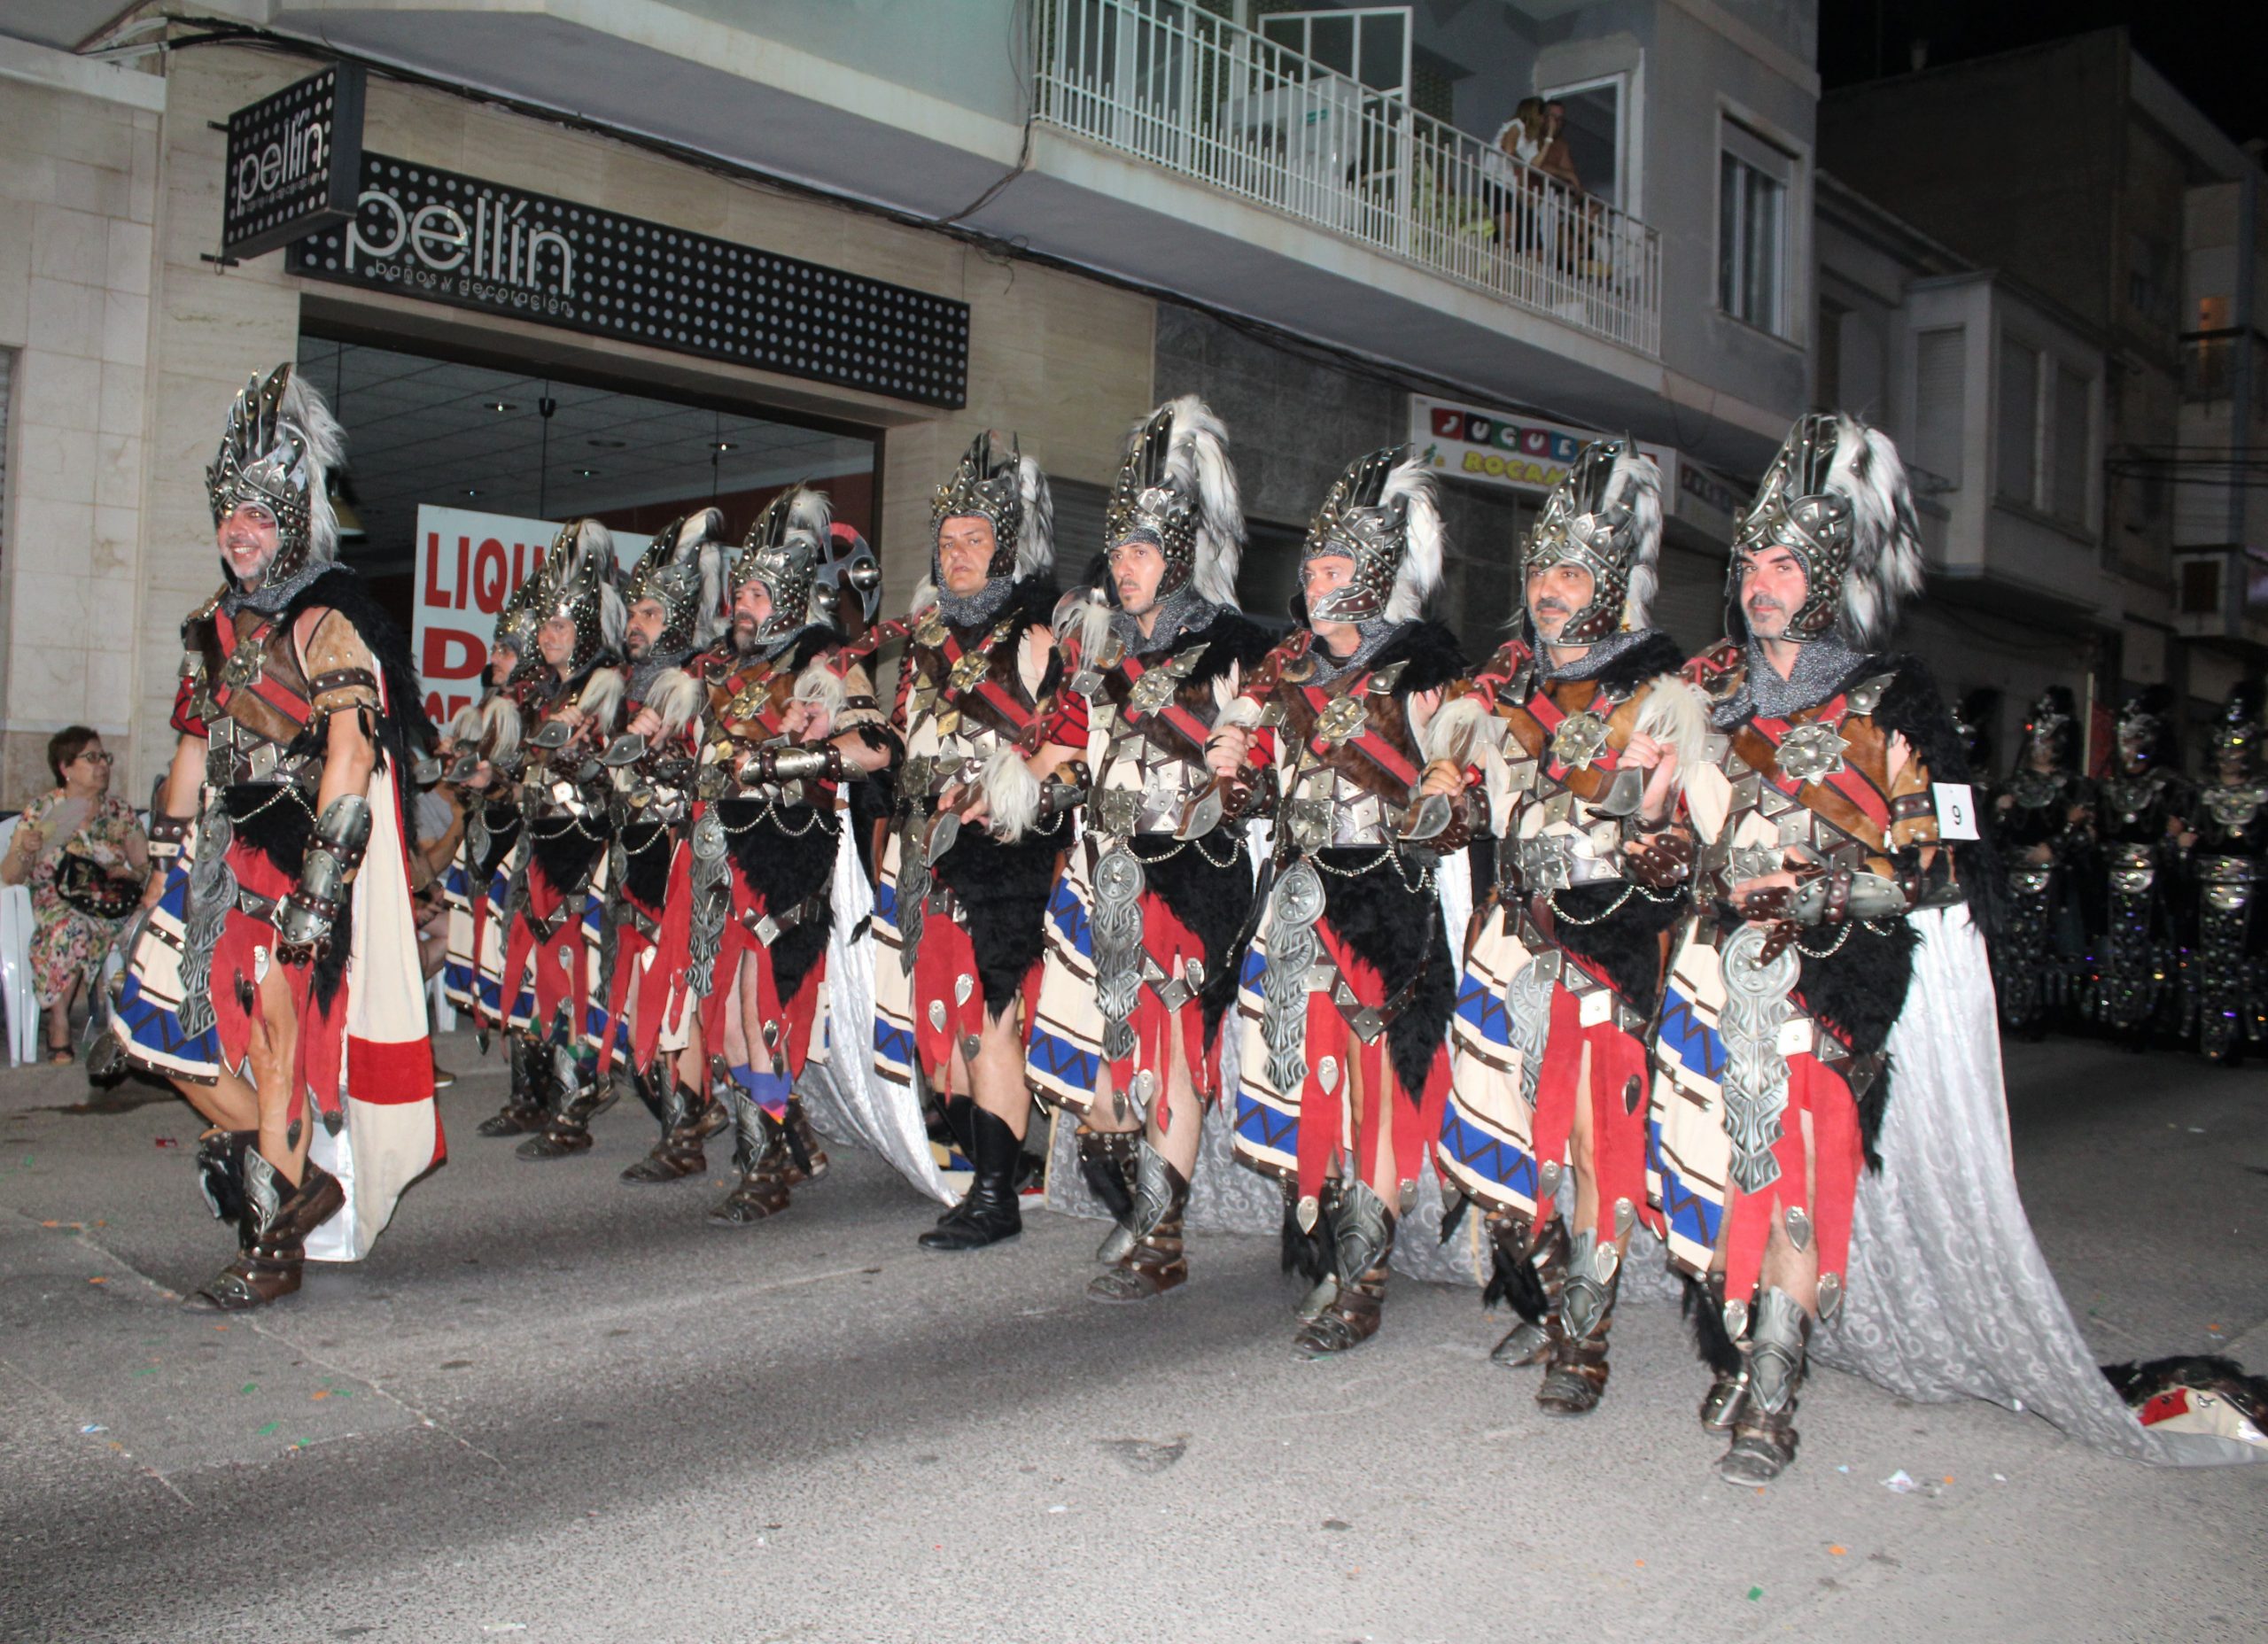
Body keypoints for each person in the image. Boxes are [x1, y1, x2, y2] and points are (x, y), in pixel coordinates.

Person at [109, 364, 435, 1310]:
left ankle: (271, 1244)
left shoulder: (329, 620)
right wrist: (161, 861)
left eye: (257, 513)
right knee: (155, 1033)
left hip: (299, 858)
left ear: (292, 519)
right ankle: (300, 1184)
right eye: (229, 512)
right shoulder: (211, 626)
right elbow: (190, 747)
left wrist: (321, 887)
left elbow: (352, 751)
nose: (238, 530)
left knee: (278, 1048)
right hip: (218, 856)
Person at [1424, 440, 1703, 1413]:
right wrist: (1446, 797)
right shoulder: (1498, 691)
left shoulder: (1662, 699)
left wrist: (1665, 842)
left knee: (1592, 1141)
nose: (1547, 589)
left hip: (1607, 940)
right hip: (1510, 935)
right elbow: (1456, 805)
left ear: (1612, 584)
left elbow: (1695, 828)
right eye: (1540, 570)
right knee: (1500, 1124)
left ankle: (1584, 1336)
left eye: (1572, 573)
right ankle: (1545, 1300)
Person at [1207, 445, 1465, 1357]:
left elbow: (1456, 792)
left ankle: (1364, 1277)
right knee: (1308, 1076)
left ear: (1377, 575)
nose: (1314, 585)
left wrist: (1446, 788)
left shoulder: (1425, 670)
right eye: (1311, 570)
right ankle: (1326, 1247)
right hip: (1299, 896)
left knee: (1377, 1087)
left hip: (1387, 902)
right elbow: (1258, 795)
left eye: (1333, 569)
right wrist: (1236, 774)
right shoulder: (1287, 677)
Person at [1028, 396, 1273, 1300]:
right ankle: (1137, 1202)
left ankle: (1162, 1236)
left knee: (1171, 1056)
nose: (1123, 567)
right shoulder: (1097, 655)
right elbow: (1055, 752)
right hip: (1103, 871)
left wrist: (1234, 764)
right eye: (1118, 552)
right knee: (1096, 1061)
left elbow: (1255, 760)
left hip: (1190, 871)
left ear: (1176, 553)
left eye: (1140, 552)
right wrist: (1029, 769)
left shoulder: (1235, 646)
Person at [872, 431, 1068, 1252]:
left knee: (992, 1024)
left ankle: (995, 1197)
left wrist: (1009, 786)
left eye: (975, 540)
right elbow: (901, 739)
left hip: (1004, 854)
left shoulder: (1039, 633)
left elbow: (1071, 748)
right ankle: (995, 1168)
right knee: (943, 1027)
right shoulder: (924, 641)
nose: (957, 554)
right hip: (927, 851)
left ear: (1007, 548)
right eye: (947, 541)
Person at [695, 492, 889, 1223]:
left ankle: (765, 1164)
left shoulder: (821, 659)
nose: (740, 606)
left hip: (787, 853)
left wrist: (788, 758)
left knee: (761, 1011)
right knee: (729, 1019)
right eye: (739, 593)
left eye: (754, 594)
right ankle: (778, 1136)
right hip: (724, 853)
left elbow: (876, 746)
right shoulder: (728, 671)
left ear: (786, 598)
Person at [598, 511, 733, 1183]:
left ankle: (687, 1136)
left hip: (681, 862)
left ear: (678, 619)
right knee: (641, 1010)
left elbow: (718, 775)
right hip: (636, 862)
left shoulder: (702, 685)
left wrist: (665, 750)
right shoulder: (632, 689)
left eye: (650, 613)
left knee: (675, 1007)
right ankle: (694, 1120)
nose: (636, 623)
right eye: (634, 612)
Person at [493, 521, 628, 1159]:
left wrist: (584, 752)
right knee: (535, 967)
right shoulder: (540, 692)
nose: (547, 636)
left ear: (587, 629)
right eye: (545, 626)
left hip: (585, 847)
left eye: (561, 626)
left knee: (576, 974)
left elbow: (620, 774)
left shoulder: (608, 690)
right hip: (540, 841)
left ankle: (575, 1105)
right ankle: (539, 1094)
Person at [3, 727, 148, 1062]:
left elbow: (145, 866)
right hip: (59, 899)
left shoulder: (118, 812)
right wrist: (25, 851)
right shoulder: (44, 810)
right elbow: (9, 876)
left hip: (109, 901)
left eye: (104, 757)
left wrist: (131, 874)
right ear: (65, 767)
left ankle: (140, 1026)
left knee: (149, 925)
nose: (102, 765)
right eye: (91, 758)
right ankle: (59, 1023)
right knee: (70, 928)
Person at [2086, 687, 2190, 1048]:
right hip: (2114, 883)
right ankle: (2117, 1015)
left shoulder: (2171, 786)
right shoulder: (2108, 788)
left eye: (2136, 739)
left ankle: (2152, 1016)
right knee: (2114, 950)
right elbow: (2099, 840)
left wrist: (2172, 843)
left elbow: (2182, 842)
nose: (2129, 748)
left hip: (2155, 886)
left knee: (2152, 951)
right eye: (2124, 739)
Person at [2184, 682, 2264, 1062]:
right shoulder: (2203, 795)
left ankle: (2246, 1033)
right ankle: (2209, 1032)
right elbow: (2188, 842)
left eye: (2237, 748)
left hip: (2253, 894)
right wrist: (2182, 843)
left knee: (2247, 963)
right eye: (2224, 748)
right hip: (2208, 891)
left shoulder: (2263, 794)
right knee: (2210, 963)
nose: (2230, 756)